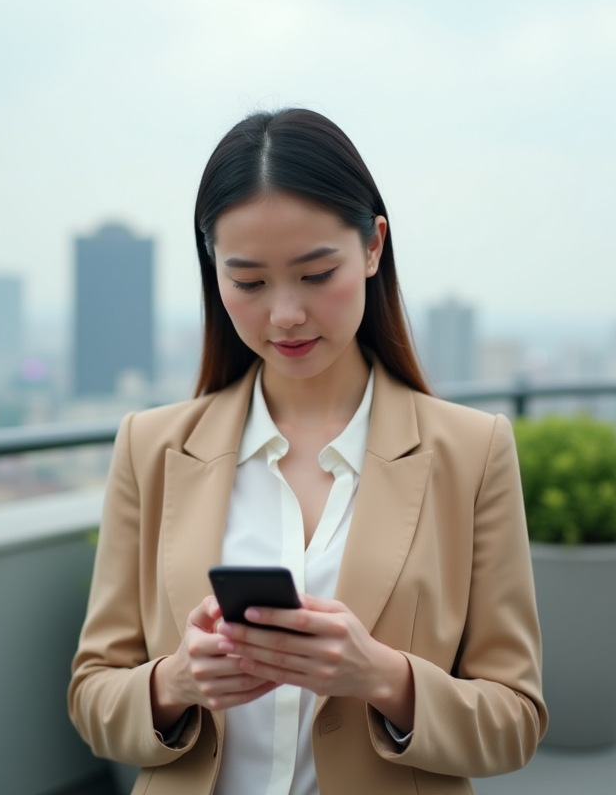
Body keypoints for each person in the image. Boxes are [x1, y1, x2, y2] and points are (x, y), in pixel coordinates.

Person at [68, 108, 547, 795]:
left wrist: (383, 676)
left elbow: (516, 720)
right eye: (250, 282)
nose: (285, 314)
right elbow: (92, 698)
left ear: (374, 246)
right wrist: (175, 683)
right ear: (214, 271)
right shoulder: (152, 448)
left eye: (317, 274)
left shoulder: (471, 453)